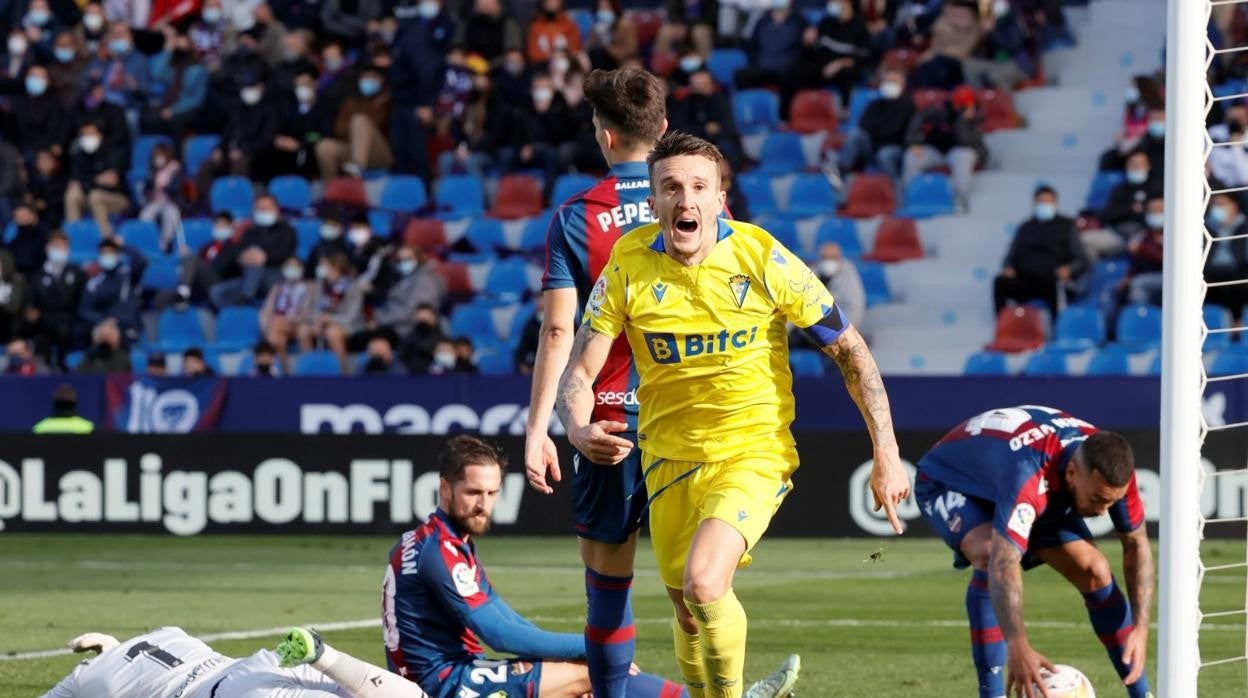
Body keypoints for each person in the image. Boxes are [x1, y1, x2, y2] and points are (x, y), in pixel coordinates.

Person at [556, 131, 909, 697]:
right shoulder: (628, 263)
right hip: (667, 458)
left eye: (700, 186)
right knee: (687, 608)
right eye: (671, 187)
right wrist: (576, 426)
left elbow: (850, 351)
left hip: (752, 450)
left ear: (721, 198)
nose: (685, 199)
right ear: (654, 202)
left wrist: (886, 451)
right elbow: (578, 370)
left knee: (703, 580)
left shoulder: (761, 257)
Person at [383, 435, 797, 698]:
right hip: (439, 685)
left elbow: (506, 620)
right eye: (473, 491)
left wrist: (596, 652)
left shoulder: (440, 540)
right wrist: (595, 649)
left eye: (492, 492)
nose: (484, 504)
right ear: (444, 487)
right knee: (592, 675)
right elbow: (499, 634)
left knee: (591, 675)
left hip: (453, 671)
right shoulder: (440, 550)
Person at [524, 67, 669, 697]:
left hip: (607, 419)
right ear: (662, 132)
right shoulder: (701, 202)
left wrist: (540, 430)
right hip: (689, 415)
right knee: (701, 583)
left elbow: (559, 333)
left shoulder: (576, 217)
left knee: (609, 587)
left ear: (603, 137)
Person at [913, 406, 1153, 698]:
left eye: (1110, 503)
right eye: (1097, 500)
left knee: (1095, 570)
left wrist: (1140, 628)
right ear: (1072, 473)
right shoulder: (1028, 473)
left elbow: (1136, 544)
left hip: (1019, 483)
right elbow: (1005, 563)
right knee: (990, 554)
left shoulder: (1110, 471)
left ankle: (1143, 695)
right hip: (952, 481)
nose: (1104, 512)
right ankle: (991, 695)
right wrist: (1018, 645)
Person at [39, 625, 434, 698]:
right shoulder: (92, 682)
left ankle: (321, 652)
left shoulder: (89, 681)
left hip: (241, 672)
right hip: (223, 682)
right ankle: (321, 653)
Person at [992, 185, 1087, 319]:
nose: (1045, 205)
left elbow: (1082, 259)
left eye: (1049, 202)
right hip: (1024, 279)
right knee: (1000, 282)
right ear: (1034, 203)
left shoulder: (1067, 226)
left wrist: (1069, 269)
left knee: (1056, 287)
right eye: (1042, 202)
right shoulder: (1025, 227)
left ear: (1055, 203)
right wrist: (1008, 267)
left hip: (1052, 279)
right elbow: (1010, 256)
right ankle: (1002, 324)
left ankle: (1057, 330)